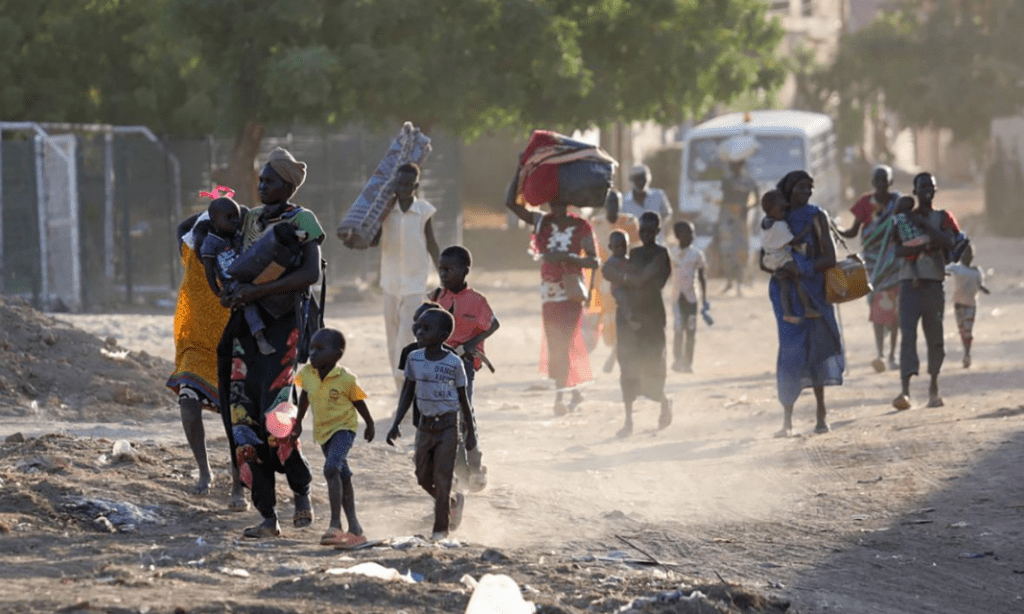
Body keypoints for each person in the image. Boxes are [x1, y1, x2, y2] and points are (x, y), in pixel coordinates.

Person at [216, 147, 325, 538]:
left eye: (270, 181)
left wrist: (257, 294)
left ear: (289, 185)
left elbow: (310, 273)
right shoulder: (249, 221)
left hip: (283, 329)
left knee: (276, 419)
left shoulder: (303, 220)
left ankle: (301, 490)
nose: (262, 186)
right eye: (260, 180)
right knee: (243, 420)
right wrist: (233, 293)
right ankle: (267, 515)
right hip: (246, 329)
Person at [167, 210, 245, 507]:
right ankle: (204, 471)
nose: (203, 247)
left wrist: (231, 215)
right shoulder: (187, 249)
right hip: (194, 346)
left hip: (231, 345)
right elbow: (182, 225)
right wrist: (211, 210)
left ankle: (238, 485)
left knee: (235, 421)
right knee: (188, 407)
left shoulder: (233, 259)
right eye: (200, 238)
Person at [386, 308, 478, 540]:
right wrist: (396, 422)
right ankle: (452, 501)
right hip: (425, 426)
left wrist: (470, 433)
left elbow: (463, 399)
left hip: (448, 427)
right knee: (421, 475)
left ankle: (440, 531)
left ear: (444, 334)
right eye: (418, 327)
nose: (419, 332)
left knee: (442, 478)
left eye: (426, 328)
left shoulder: (454, 362)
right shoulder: (413, 358)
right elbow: (407, 392)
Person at [765, 171, 843, 437]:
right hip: (786, 295)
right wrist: (783, 270)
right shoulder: (776, 216)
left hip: (815, 293)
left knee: (818, 351)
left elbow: (829, 258)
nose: (806, 193)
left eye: (810, 188)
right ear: (788, 190)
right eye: (800, 188)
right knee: (790, 352)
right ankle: (787, 419)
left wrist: (802, 268)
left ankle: (821, 414)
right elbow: (763, 258)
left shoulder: (817, 216)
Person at [506, 193, 600, 416]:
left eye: (560, 203)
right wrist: (522, 166)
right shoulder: (542, 222)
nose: (555, 208)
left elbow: (594, 260)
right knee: (556, 342)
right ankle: (573, 390)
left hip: (572, 290)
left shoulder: (580, 226)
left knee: (563, 341)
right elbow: (511, 204)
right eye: (552, 203)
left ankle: (559, 396)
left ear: (567, 204)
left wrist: (568, 258)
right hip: (549, 292)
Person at [293, 328, 374, 548]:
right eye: (311, 348)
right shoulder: (307, 374)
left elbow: (359, 402)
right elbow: (305, 397)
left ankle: (335, 524)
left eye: (320, 349)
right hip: (323, 432)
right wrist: (298, 422)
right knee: (342, 474)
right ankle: (355, 527)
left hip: (344, 429)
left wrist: (370, 423)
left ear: (337, 355)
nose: (313, 353)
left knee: (331, 469)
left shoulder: (346, 378)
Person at [430, 245, 499, 492]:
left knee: (464, 414)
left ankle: (476, 466)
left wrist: (471, 344)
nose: (443, 273)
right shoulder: (437, 298)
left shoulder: (477, 301)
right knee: (447, 418)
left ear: (465, 270)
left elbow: (493, 324)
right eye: (441, 269)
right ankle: (459, 470)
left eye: (449, 269)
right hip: (438, 366)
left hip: (464, 366)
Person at [891, 173, 960, 410]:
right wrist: (927, 243)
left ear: (935, 190)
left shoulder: (942, 217)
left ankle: (934, 387)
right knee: (907, 336)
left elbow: (950, 243)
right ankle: (905, 391)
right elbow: (896, 251)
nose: (927, 192)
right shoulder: (902, 218)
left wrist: (922, 227)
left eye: (930, 187)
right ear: (915, 191)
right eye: (922, 188)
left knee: (935, 337)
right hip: (909, 283)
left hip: (933, 283)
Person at [372, 162, 441, 391]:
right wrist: (377, 216)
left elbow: (431, 243)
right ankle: (398, 380)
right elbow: (372, 240)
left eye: (408, 184)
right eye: (399, 183)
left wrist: (443, 273)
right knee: (391, 332)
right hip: (390, 281)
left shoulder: (423, 211)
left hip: (414, 281)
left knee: (406, 331)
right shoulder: (386, 211)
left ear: (416, 186)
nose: (403, 188)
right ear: (394, 184)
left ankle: (405, 379)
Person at [606, 212, 673, 438]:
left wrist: (625, 279)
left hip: (652, 316)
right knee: (628, 367)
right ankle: (628, 421)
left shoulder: (662, 254)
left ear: (657, 231)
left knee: (653, 364)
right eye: (642, 230)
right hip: (629, 317)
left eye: (650, 230)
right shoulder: (631, 253)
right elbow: (610, 271)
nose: (646, 234)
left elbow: (645, 279)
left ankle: (663, 402)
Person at [838, 165, 901, 372]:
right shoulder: (865, 203)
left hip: (894, 262)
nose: (881, 186)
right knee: (877, 307)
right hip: (873, 263)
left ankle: (892, 354)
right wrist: (833, 228)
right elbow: (852, 232)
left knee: (895, 311)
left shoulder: (898, 202)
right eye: (878, 182)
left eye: (885, 182)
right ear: (873, 183)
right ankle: (880, 354)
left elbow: (905, 226)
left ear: (890, 183)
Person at [199, 196, 275, 355]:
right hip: (231, 282)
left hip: (248, 274)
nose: (235, 220)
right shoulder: (211, 242)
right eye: (229, 217)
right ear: (214, 220)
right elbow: (209, 270)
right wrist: (217, 291)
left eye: (236, 216)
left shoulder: (237, 235)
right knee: (247, 302)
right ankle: (259, 336)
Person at [589, 190, 640, 373]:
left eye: (616, 202)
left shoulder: (629, 222)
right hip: (602, 278)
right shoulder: (596, 223)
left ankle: (614, 357)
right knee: (605, 322)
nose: (613, 206)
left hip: (623, 276)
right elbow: (590, 252)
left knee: (623, 316)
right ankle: (613, 352)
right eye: (610, 202)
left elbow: (636, 250)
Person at [760, 189, 819, 324]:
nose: (784, 212)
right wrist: (806, 231)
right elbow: (794, 242)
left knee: (785, 285)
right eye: (781, 210)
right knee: (799, 278)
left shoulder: (765, 223)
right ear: (774, 209)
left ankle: (787, 313)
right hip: (781, 259)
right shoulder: (780, 226)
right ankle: (808, 308)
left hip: (769, 260)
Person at [714, 159, 759, 296]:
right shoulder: (726, 180)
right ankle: (729, 282)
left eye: (737, 165)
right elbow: (723, 198)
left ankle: (739, 284)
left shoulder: (749, 181)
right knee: (727, 250)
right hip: (727, 218)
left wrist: (748, 207)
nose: (735, 168)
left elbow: (756, 199)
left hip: (742, 219)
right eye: (732, 166)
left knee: (742, 250)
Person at [670, 220, 709, 373]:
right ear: (678, 236)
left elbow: (702, 277)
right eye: (688, 233)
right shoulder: (671, 253)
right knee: (678, 329)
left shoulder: (697, 255)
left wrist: (704, 298)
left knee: (691, 330)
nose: (692, 236)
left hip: (692, 298)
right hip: (676, 298)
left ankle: (688, 362)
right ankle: (678, 360)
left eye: (693, 233)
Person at [946, 243, 989, 368]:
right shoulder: (956, 268)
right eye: (965, 254)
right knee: (963, 330)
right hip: (959, 304)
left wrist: (983, 289)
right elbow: (944, 271)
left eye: (969, 254)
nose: (967, 256)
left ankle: (967, 354)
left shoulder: (977, 271)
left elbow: (979, 284)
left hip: (971, 304)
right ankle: (966, 353)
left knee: (967, 331)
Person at [620, 164, 671, 244]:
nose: (640, 182)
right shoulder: (624, 201)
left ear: (648, 179)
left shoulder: (658, 195)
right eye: (637, 179)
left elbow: (666, 215)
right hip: (635, 246)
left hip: (656, 244)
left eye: (643, 178)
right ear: (631, 181)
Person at [602, 231, 640, 330]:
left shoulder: (629, 260)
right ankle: (630, 318)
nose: (620, 249)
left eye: (623, 246)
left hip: (630, 289)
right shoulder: (611, 261)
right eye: (617, 246)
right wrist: (623, 278)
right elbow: (606, 271)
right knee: (622, 297)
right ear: (610, 247)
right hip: (617, 288)